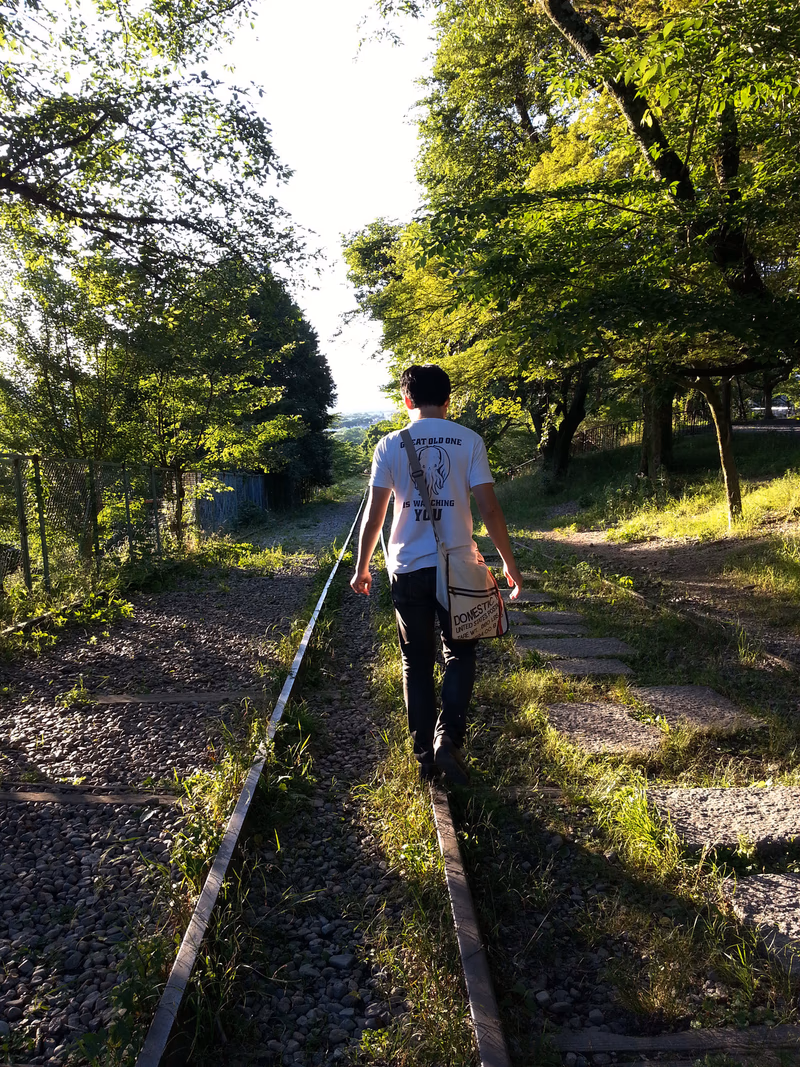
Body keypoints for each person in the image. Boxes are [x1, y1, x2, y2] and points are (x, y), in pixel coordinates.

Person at [350, 364, 523, 785]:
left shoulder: (389, 445)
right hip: (459, 568)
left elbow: (374, 517)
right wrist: (509, 565)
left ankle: (423, 752)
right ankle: (450, 741)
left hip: (408, 567)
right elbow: (490, 509)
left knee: (416, 660)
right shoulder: (469, 441)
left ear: (406, 400)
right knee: (461, 654)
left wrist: (362, 566)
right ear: (449, 400)